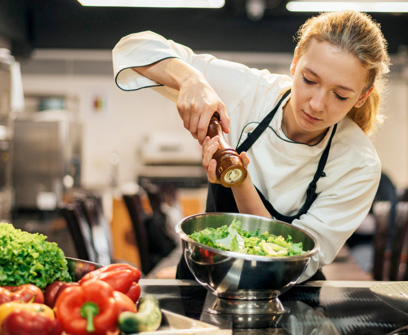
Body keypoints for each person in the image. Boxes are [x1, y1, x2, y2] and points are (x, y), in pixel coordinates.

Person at [112, 10, 390, 282]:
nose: (317, 104)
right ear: (295, 63)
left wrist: (238, 179)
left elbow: (296, 260)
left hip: (286, 296)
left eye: (340, 95)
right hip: (207, 278)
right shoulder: (249, 92)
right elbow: (132, 48)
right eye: (309, 80)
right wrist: (191, 80)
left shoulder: (358, 163)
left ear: (362, 97)